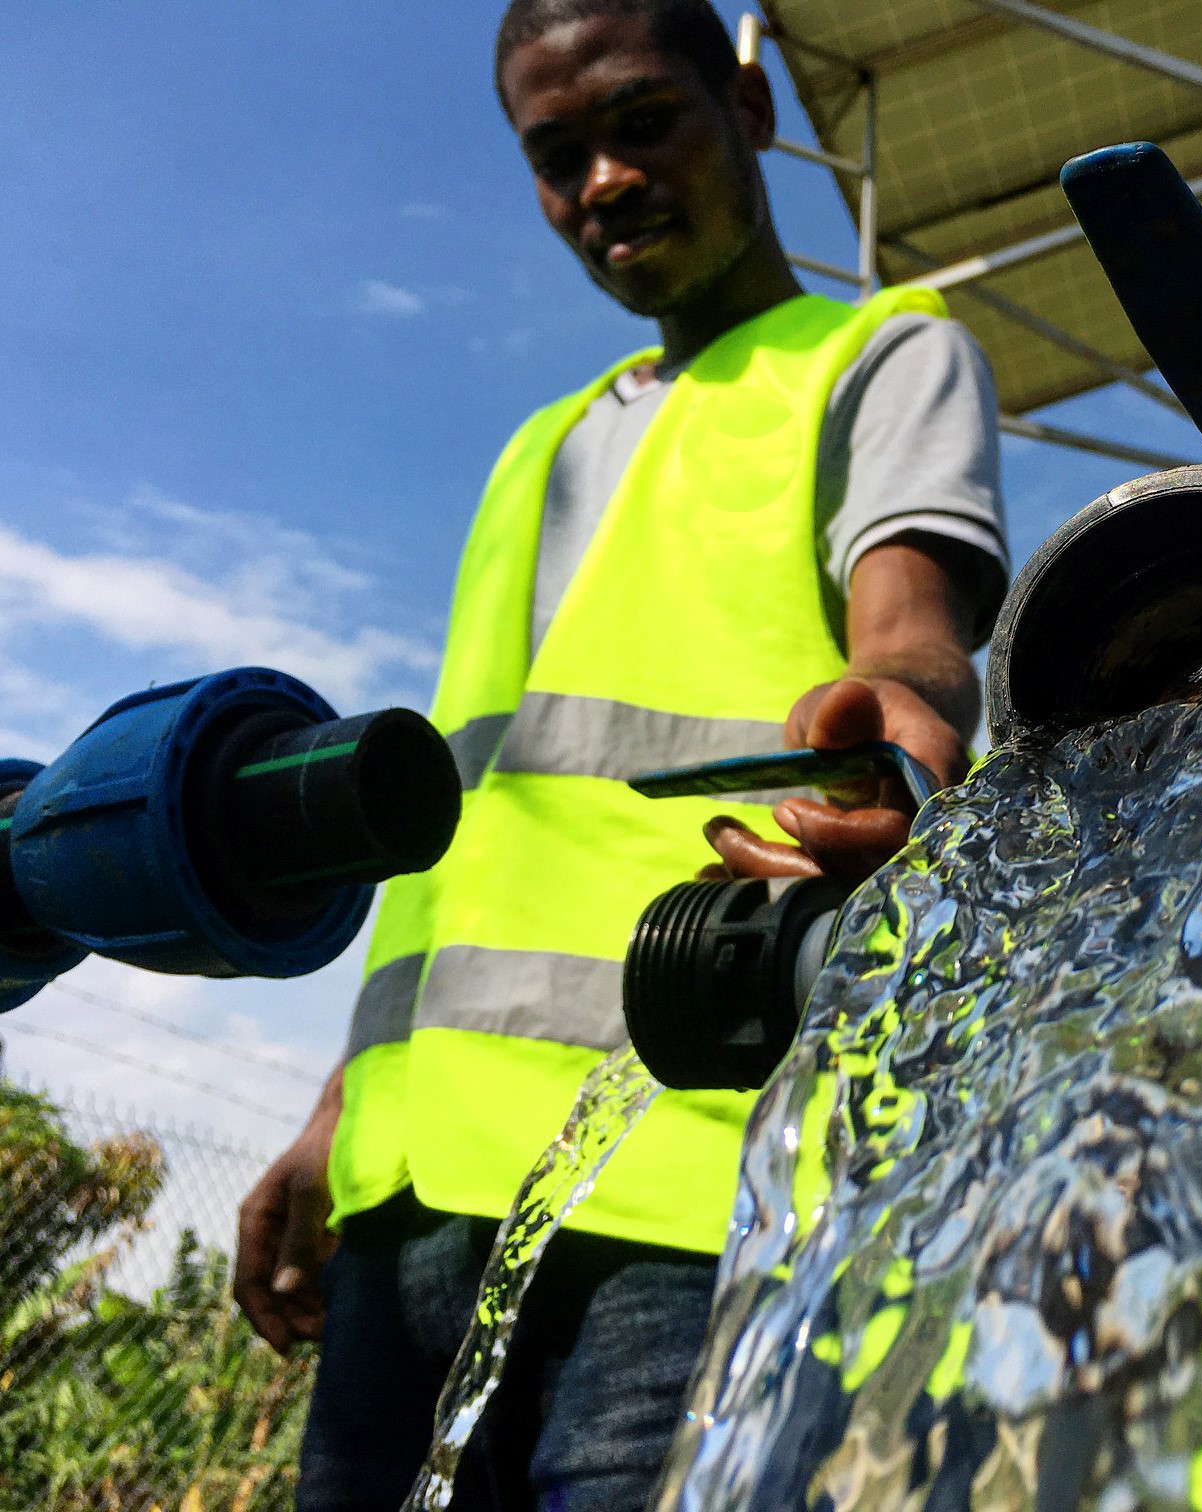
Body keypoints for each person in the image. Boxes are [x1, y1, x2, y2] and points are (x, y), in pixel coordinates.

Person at [233, 1, 1009, 1506]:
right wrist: (337, 1119)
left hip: (688, 1181)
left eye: (644, 123)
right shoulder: (534, 453)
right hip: (409, 1203)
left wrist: (902, 728)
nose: (603, 182)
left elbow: (912, 638)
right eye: (557, 155)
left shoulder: (880, 358)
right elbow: (463, 834)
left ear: (749, 105)